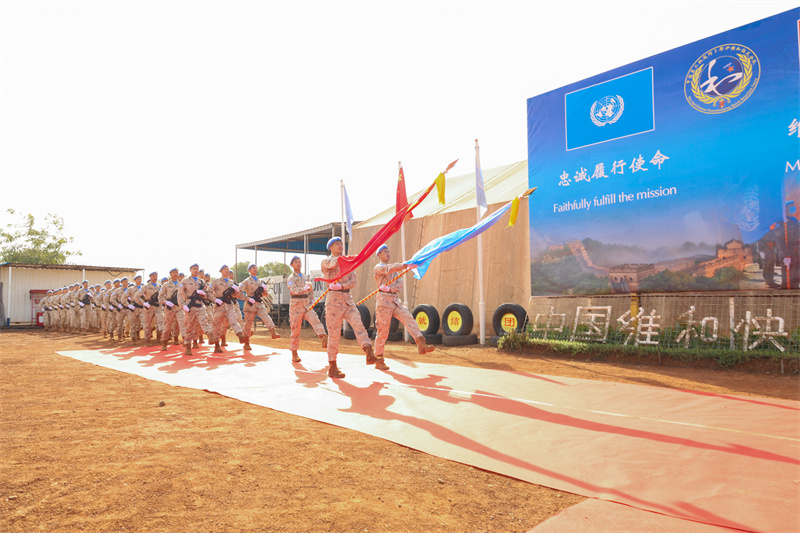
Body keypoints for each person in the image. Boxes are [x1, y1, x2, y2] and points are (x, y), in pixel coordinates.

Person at [321, 236, 378, 378]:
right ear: (330, 247)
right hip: (334, 301)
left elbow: (353, 280)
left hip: (347, 299)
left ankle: (369, 352)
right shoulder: (326, 261)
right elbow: (334, 263)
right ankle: (332, 366)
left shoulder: (347, 262)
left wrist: (342, 286)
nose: (341, 245)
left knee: (359, 324)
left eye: (341, 243)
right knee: (334, 334)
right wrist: (352, 258)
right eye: (337, 244)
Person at [373, 244, 435, 361]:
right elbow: (388, 269)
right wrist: (404, 265)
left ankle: (421, 344)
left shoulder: (395, 272)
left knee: (409, 319)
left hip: (395, 301)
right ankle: (378, 358)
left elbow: (399, 285)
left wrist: (390, 288)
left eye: (388, 251)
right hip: (383, 302)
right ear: (379, 255)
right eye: (385, 252)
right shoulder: (378, 268)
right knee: (383, 331)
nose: (388, 254)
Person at [286, 256, 328, 363]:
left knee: (315, 320)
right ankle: (294, 353)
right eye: (296, 262)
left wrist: (312, 300)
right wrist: (303, 289)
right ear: (291, 265)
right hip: (296, 305)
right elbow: (293, 290)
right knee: (295, 330)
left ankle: (323, 336)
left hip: (306, 304)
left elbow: (310, 291)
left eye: (299, 262)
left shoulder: (305, 277)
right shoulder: (291, 278)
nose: (298, 263)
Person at [239, 264, 281, 349]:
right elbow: (238, 292)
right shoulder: (246, 281)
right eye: (253, 268)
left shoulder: (261, 281)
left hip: (259, 303)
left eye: (256, 268)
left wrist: (265, 290)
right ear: (249, 270)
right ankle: (246, 343)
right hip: (250, 304)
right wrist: (247, 298)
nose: (255, 269)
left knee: (266, 317)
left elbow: (265, 294)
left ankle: (273, 332)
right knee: (248, 323)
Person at [178, 263, 216, 355]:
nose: (196, 270)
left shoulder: (201, 282)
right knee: (189, 327)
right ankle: (188, 347)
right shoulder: (185, 281)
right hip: (190, 306)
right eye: (194, 268)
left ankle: (210, 335)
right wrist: (183, 305)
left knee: (204, 321)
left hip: (200, 305)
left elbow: (206, 295)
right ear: (190, 270)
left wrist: (203, 294)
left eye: (197, 269)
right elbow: (180, 294)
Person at [209, 264, 247, 353]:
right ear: (220, 271)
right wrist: (215, 299)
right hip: (219, 307)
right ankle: (217, 345)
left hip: (229, 305)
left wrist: (237, 291)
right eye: (224, 269)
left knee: (234, 320)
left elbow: (236, 295)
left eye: (227, 269)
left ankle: (240, 336)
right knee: (217, 325)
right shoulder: (215, 281)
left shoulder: (232, 283)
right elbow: (208, 293)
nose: (226, 270)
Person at [136, 271, 163, 346]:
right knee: (147, 324)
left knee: (161, 322)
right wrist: (144, 303)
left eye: (156, 276)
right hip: (149, 307)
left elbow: (163, 296)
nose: (155, 277)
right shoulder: (145, 287)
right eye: (153, 276)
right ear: (150, 277)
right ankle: (147, 340)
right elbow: (136, 296)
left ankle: (160, 338)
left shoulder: (160, 287)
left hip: (158, 307)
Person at [159, 268, 183, 350]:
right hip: (169, 308)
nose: (175, 274)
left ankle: (184, 343)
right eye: (173, 272)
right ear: (170, 274)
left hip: (179, 307)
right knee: (167, 326)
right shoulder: (165, 285)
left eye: (177, 272)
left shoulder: (182, 284)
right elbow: (160, 297)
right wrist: (166, 302)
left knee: (182, 324)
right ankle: (164, 343)